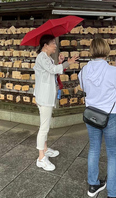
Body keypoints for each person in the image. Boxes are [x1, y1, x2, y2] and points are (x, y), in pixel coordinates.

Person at [79, 38, 116, 198]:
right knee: (113, 153)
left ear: (91, 51)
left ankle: (93, 184)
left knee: (94, 148)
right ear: (106, 51)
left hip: (92, 114)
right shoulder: (113, 71)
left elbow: (84, 87)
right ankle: (113, 193)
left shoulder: (84, 70)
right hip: (110, 114)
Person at [34, 34, 78, 171]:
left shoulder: (47, 58)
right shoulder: (41, 57)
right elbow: (52, 70)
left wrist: (59, 63)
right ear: (45, 45)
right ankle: (41, 158)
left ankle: (45, 149)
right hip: (44, 97)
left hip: (46, 96)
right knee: (44, 127)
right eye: (53, 43)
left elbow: (53, 71)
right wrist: (67, 63)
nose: (55, 45)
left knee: (45, 125)